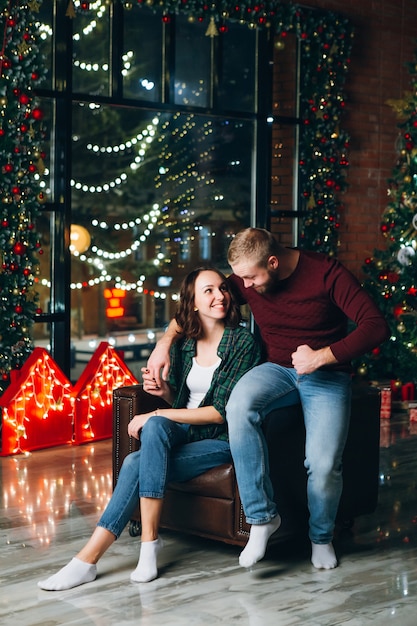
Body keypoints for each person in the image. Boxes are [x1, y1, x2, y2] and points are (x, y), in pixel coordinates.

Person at [146, 228, 390, 571]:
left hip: (326, 375)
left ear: (272, 262)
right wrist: (164, 343)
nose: (242, 287)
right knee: (239, 406)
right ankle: (262, 518)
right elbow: (195, 306)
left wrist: (321, 357)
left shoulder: (327, 274)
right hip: (277, 370)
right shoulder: (248, 277)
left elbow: (376, 326)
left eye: (250, 277)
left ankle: (320, 537)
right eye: (240, 278)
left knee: (322, 465)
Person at [37, 267, 261, 590]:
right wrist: (163, 393)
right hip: (184, 429)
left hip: (219, 439)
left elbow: (218, 413)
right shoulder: (186, 344)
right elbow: (184, 401)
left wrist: (156, 411)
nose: (220, 296)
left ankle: (91, 559)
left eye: (223, 289)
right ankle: (145, 545)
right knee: (156, 427)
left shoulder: (242, 342)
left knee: (134, 461)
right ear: (194, 303)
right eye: (208, 291)